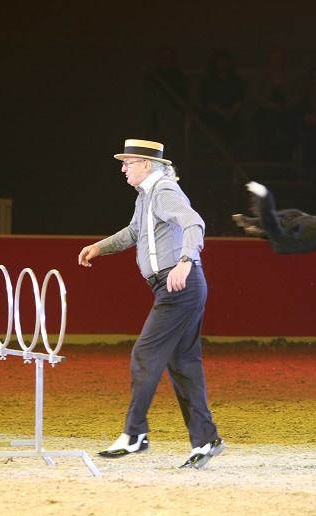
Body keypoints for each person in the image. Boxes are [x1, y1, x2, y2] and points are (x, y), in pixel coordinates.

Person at [77, 139, 225, 470]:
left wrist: (186, 260)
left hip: (179, 285)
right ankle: (205, 439)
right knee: (183, 364)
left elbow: (193, 222)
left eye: (128, 162)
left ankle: (134, 434)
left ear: (147, 165)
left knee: (145, 355)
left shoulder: (163, 191)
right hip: (178, 286)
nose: (123, 168)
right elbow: (133, 232)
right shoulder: (147, 196)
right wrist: (100, 247)